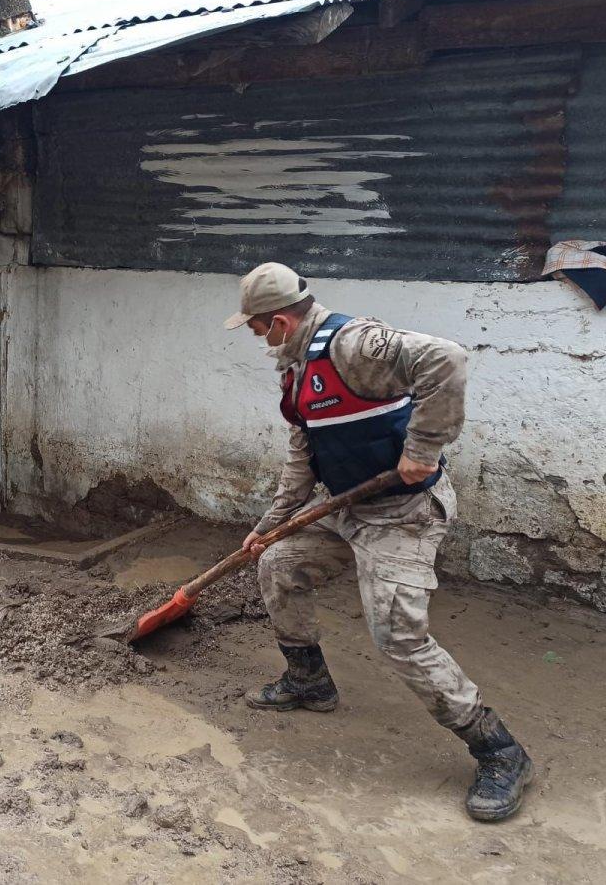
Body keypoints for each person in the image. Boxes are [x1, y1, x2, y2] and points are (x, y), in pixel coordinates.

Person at [226, 262, 533, 822]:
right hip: (347, 510)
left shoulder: (353, 344)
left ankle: (499, 749)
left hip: (402, 513)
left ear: (278, 320)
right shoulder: (296, 371)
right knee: (278, 562)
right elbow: (304, 456)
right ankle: (308, 682)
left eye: (254, 326)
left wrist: (423, 447)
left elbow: (448, 359)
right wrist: (271, 522)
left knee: (397, 633)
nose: (252, 335)